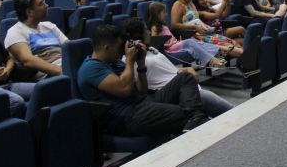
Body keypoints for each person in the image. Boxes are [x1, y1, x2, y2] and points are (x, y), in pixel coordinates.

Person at [77, 24, 209, 135]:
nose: (121, 52)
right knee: (184, 113)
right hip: (126, 117)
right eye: (119, 47)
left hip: (143, 103)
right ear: (106, 48)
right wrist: (129, 61)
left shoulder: (115, 62)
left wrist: (141, 64)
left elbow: (142, 91)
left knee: (185, 78)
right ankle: (196, 119)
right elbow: (124, 89)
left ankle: (196, 117)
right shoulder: (91, 68)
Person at [121, 18, 232, 117]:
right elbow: (141, 91)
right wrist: (139, 63)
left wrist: (186, 70)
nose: (149, 32)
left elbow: (165, 70)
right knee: (230, 111)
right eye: (145, 30)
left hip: (187, 85)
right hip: (174, 92)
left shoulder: (150, 49)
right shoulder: (130, 59)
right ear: (137, 35)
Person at [170, 0, 243, 59]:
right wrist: (194, 27)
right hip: (194, 37)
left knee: (232, 42)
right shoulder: (177, 4)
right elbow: (174, 25)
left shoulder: (190, 4)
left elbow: (221, 15)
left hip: (205, 33)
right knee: (230, 48)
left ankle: (245, 58)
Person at [4, 0, 66, 78]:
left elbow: (69, 48)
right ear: (29, 12)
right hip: (50, 75)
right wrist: (62, 71)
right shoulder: (15, 32)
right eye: (41, 4)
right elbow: (28, 61)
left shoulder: (49, 26)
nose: (46, 6)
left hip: (65, 64)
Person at [147, 0, 223, 67]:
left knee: (197, 42)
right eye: (164, 12)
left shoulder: (163, 25)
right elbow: (155, 44)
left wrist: (177, 40)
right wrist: (164, 45)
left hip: (175, 44)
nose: (166, 14)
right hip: (170, 49)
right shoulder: (154, 27)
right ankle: (211, 60)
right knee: (190, 42)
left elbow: (170, 37)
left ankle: (216, 53)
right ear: (157, 14)